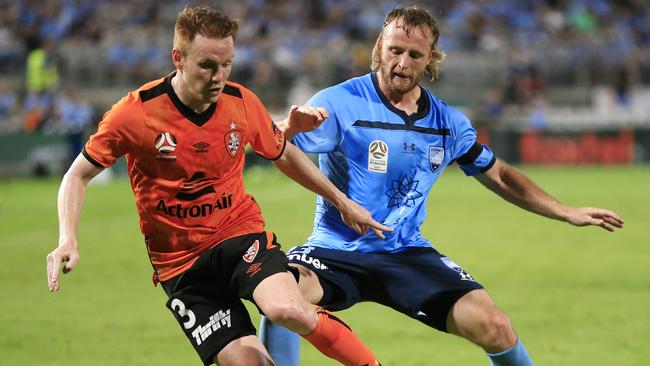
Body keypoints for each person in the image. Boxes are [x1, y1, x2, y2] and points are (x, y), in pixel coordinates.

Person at [259, 6, 624, 366]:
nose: (401, 63)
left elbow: (500, 174)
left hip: (404, 251)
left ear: (430, 58)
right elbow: (268, 141)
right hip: (335, 249)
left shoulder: (447, 122)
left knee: (494, 325)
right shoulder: (339, 102)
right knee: (282, 295)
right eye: (394, 51)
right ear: (379, 46)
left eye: (414, 55)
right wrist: (288, 128)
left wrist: (565, 211)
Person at [45, 6, 390, 366]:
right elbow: (77, 175)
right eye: (208, 65)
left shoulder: (240, 102)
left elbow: (281, 151)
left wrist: (341, 201)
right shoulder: (136, 113)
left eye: (227, 64)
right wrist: (67, 238)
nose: (219, 76)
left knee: (288, 309)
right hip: (180, 266)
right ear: (178, 58)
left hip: (238, 235)